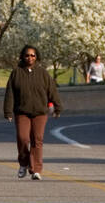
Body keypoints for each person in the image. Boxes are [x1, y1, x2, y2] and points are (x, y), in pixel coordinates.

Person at [4, 45, 62, 181]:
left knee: (37, 140)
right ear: (22, 57)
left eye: (33, 55)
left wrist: (58, 107)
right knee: (23, 138)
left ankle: (36, 169)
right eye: (27, 55)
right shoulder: (16, 73)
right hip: (22, 112)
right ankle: (23, 163)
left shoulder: (42, 73)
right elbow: (10, 94)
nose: (30, 58)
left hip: (40, 112)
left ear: (36, 57)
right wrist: (8, 111)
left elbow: (52, 91)